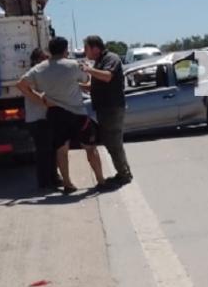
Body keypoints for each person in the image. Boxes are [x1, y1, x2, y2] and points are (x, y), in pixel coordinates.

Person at [17, 37, 106, 194]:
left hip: (55, 114)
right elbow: (86, 79)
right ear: (65, 50)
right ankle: (100, 180)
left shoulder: (39, 69)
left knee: (61, 150)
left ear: (50, 51)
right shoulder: (73, 65)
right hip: (78, 113)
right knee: (90, 148)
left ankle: (67, 184)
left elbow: (21, 85)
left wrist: (40, 100)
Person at [82, 35, 133, 186]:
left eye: (86, 48)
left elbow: (107, 77)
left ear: (95, 48)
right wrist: (77, 85)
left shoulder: (111, 58)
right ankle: (124, 172)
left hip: (112, 108)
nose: (85, 52)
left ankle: (124, 175)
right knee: (111, 143)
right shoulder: (99, 62)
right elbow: (93, 86)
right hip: (104, 109)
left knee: (114, 143)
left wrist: (88, 69)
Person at [21, 48, 60, 191]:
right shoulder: (33, 74)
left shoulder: (43, 73)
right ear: (37, 60)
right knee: (44, 151)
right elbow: (27, 89)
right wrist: (44, 100)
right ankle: (45, 181)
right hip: (37, 119)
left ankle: (53, 178)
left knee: (51, 150)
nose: (47, 60)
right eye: (45, 57)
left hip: (45, 117)